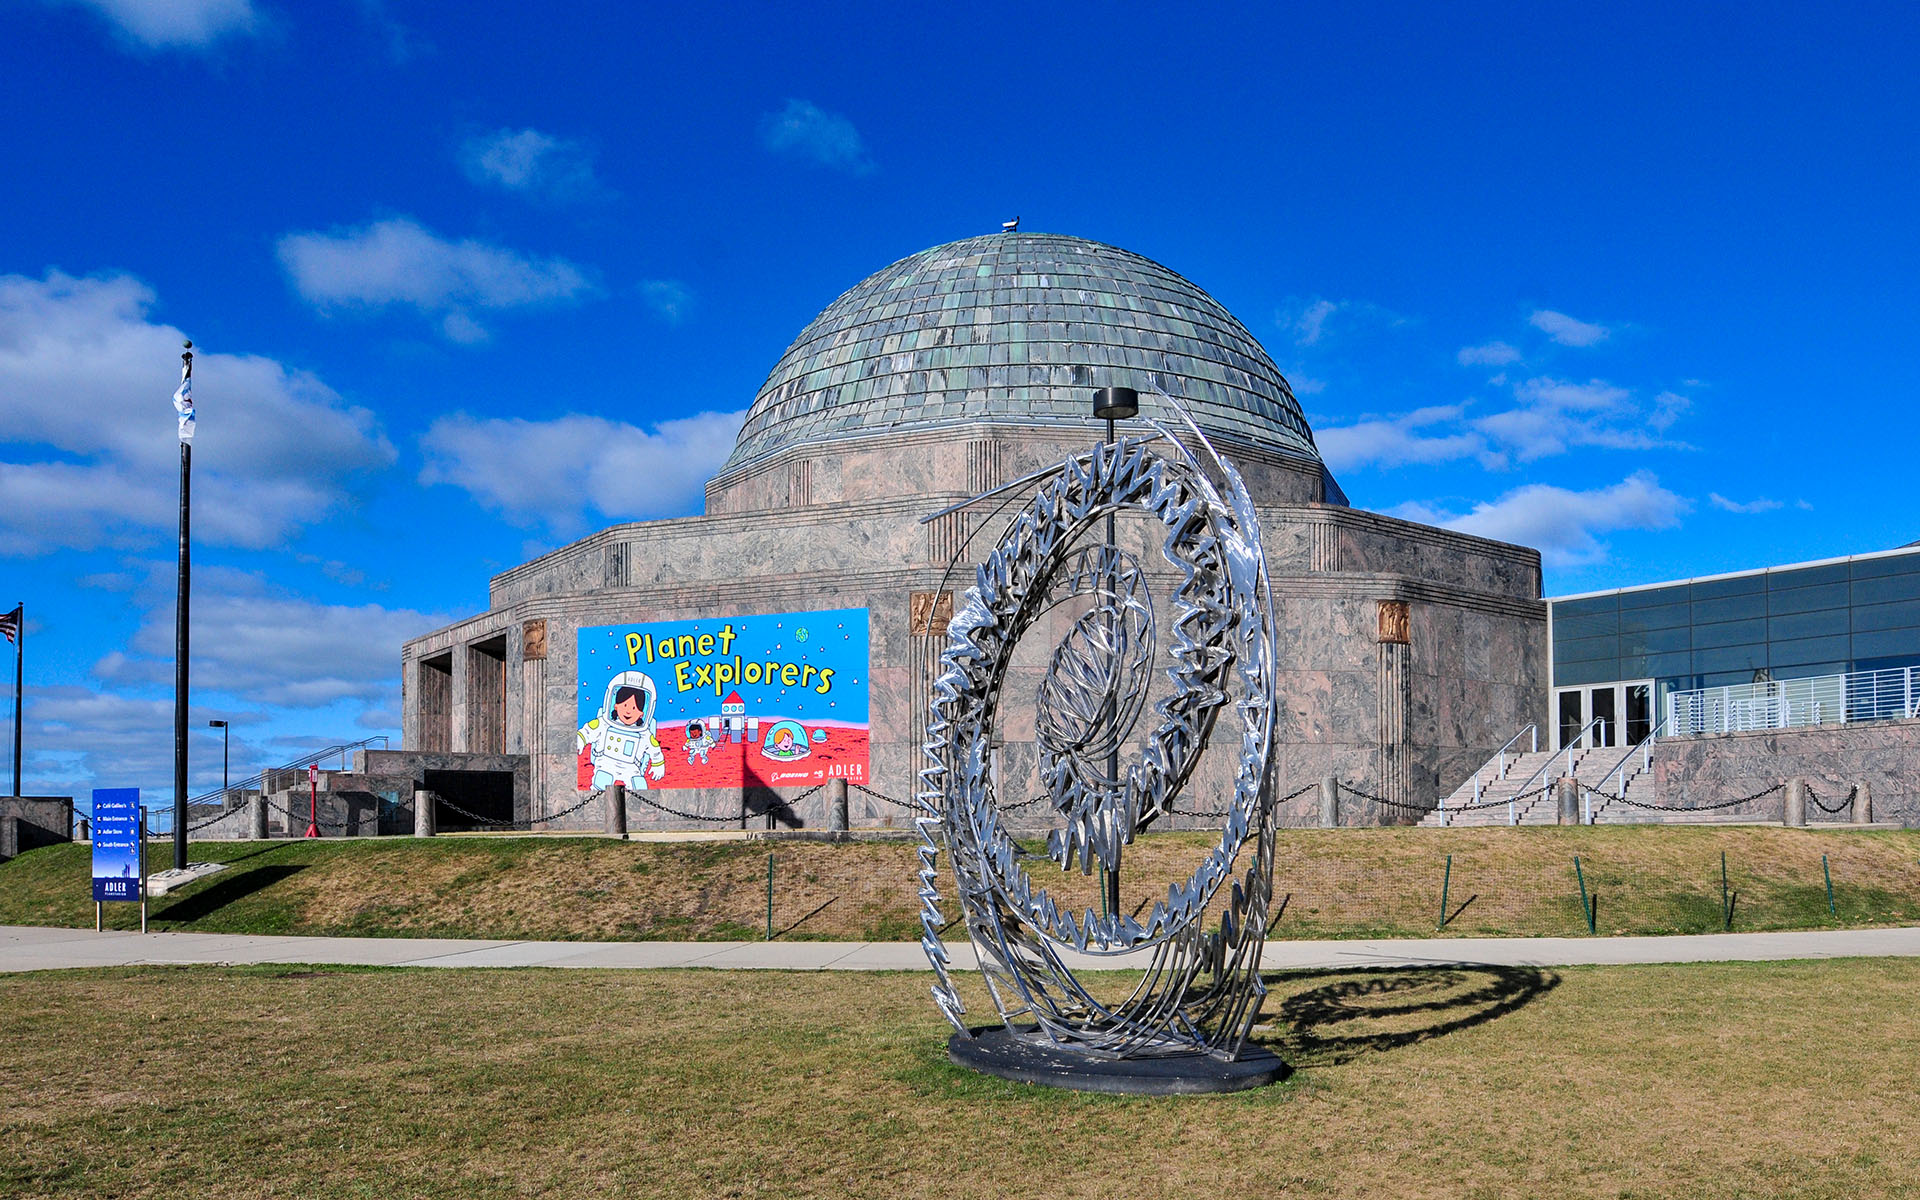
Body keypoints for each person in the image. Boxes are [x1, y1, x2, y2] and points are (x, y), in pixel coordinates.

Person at [577, 670, 667, 789]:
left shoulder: (644, 734)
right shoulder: (603, 724)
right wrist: (580, 740)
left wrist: (658, 764)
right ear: (615, 705)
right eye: (625, 705)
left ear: (642, 713)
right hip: (606, 763)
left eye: (634, 708)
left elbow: (654, 749)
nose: (629, 711)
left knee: (639, 785)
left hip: (631, 768)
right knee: (601, 780)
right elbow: (587, 731)